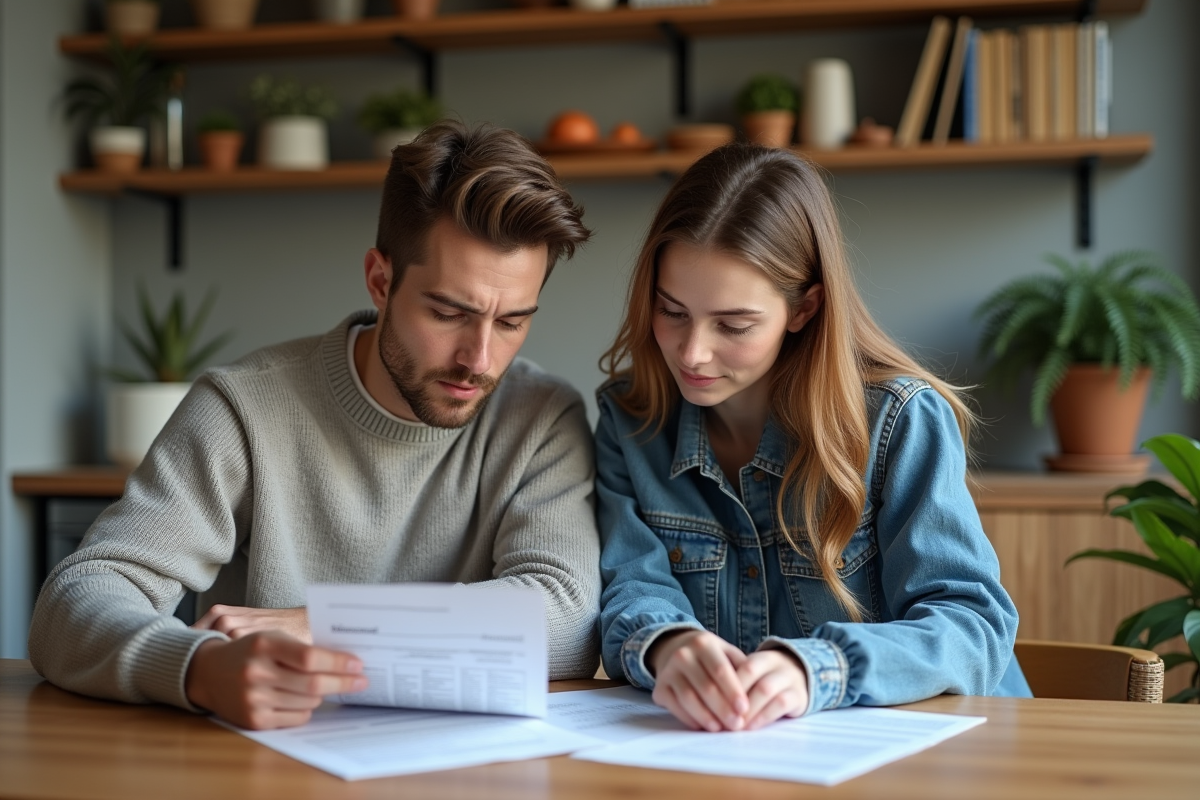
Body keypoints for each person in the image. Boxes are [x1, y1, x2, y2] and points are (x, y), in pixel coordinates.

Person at [28, 121, 602, 730]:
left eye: (512, 322)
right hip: (258, 761)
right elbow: (76, 600)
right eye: (446, 313)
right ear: (380, 281)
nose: (479, 359)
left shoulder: (540, 418)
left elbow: (566, 623)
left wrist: (326, 626)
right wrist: (199, 668)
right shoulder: (244, 407)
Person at [595, 143, 1030, 734]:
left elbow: (972, 626)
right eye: (672, 312)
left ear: (804, 308)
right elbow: (632, 586)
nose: (692, 352)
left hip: (953, 752)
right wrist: (667, 645)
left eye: (733, 325)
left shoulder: (899, 420)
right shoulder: (629, 419)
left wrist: (820, 669)